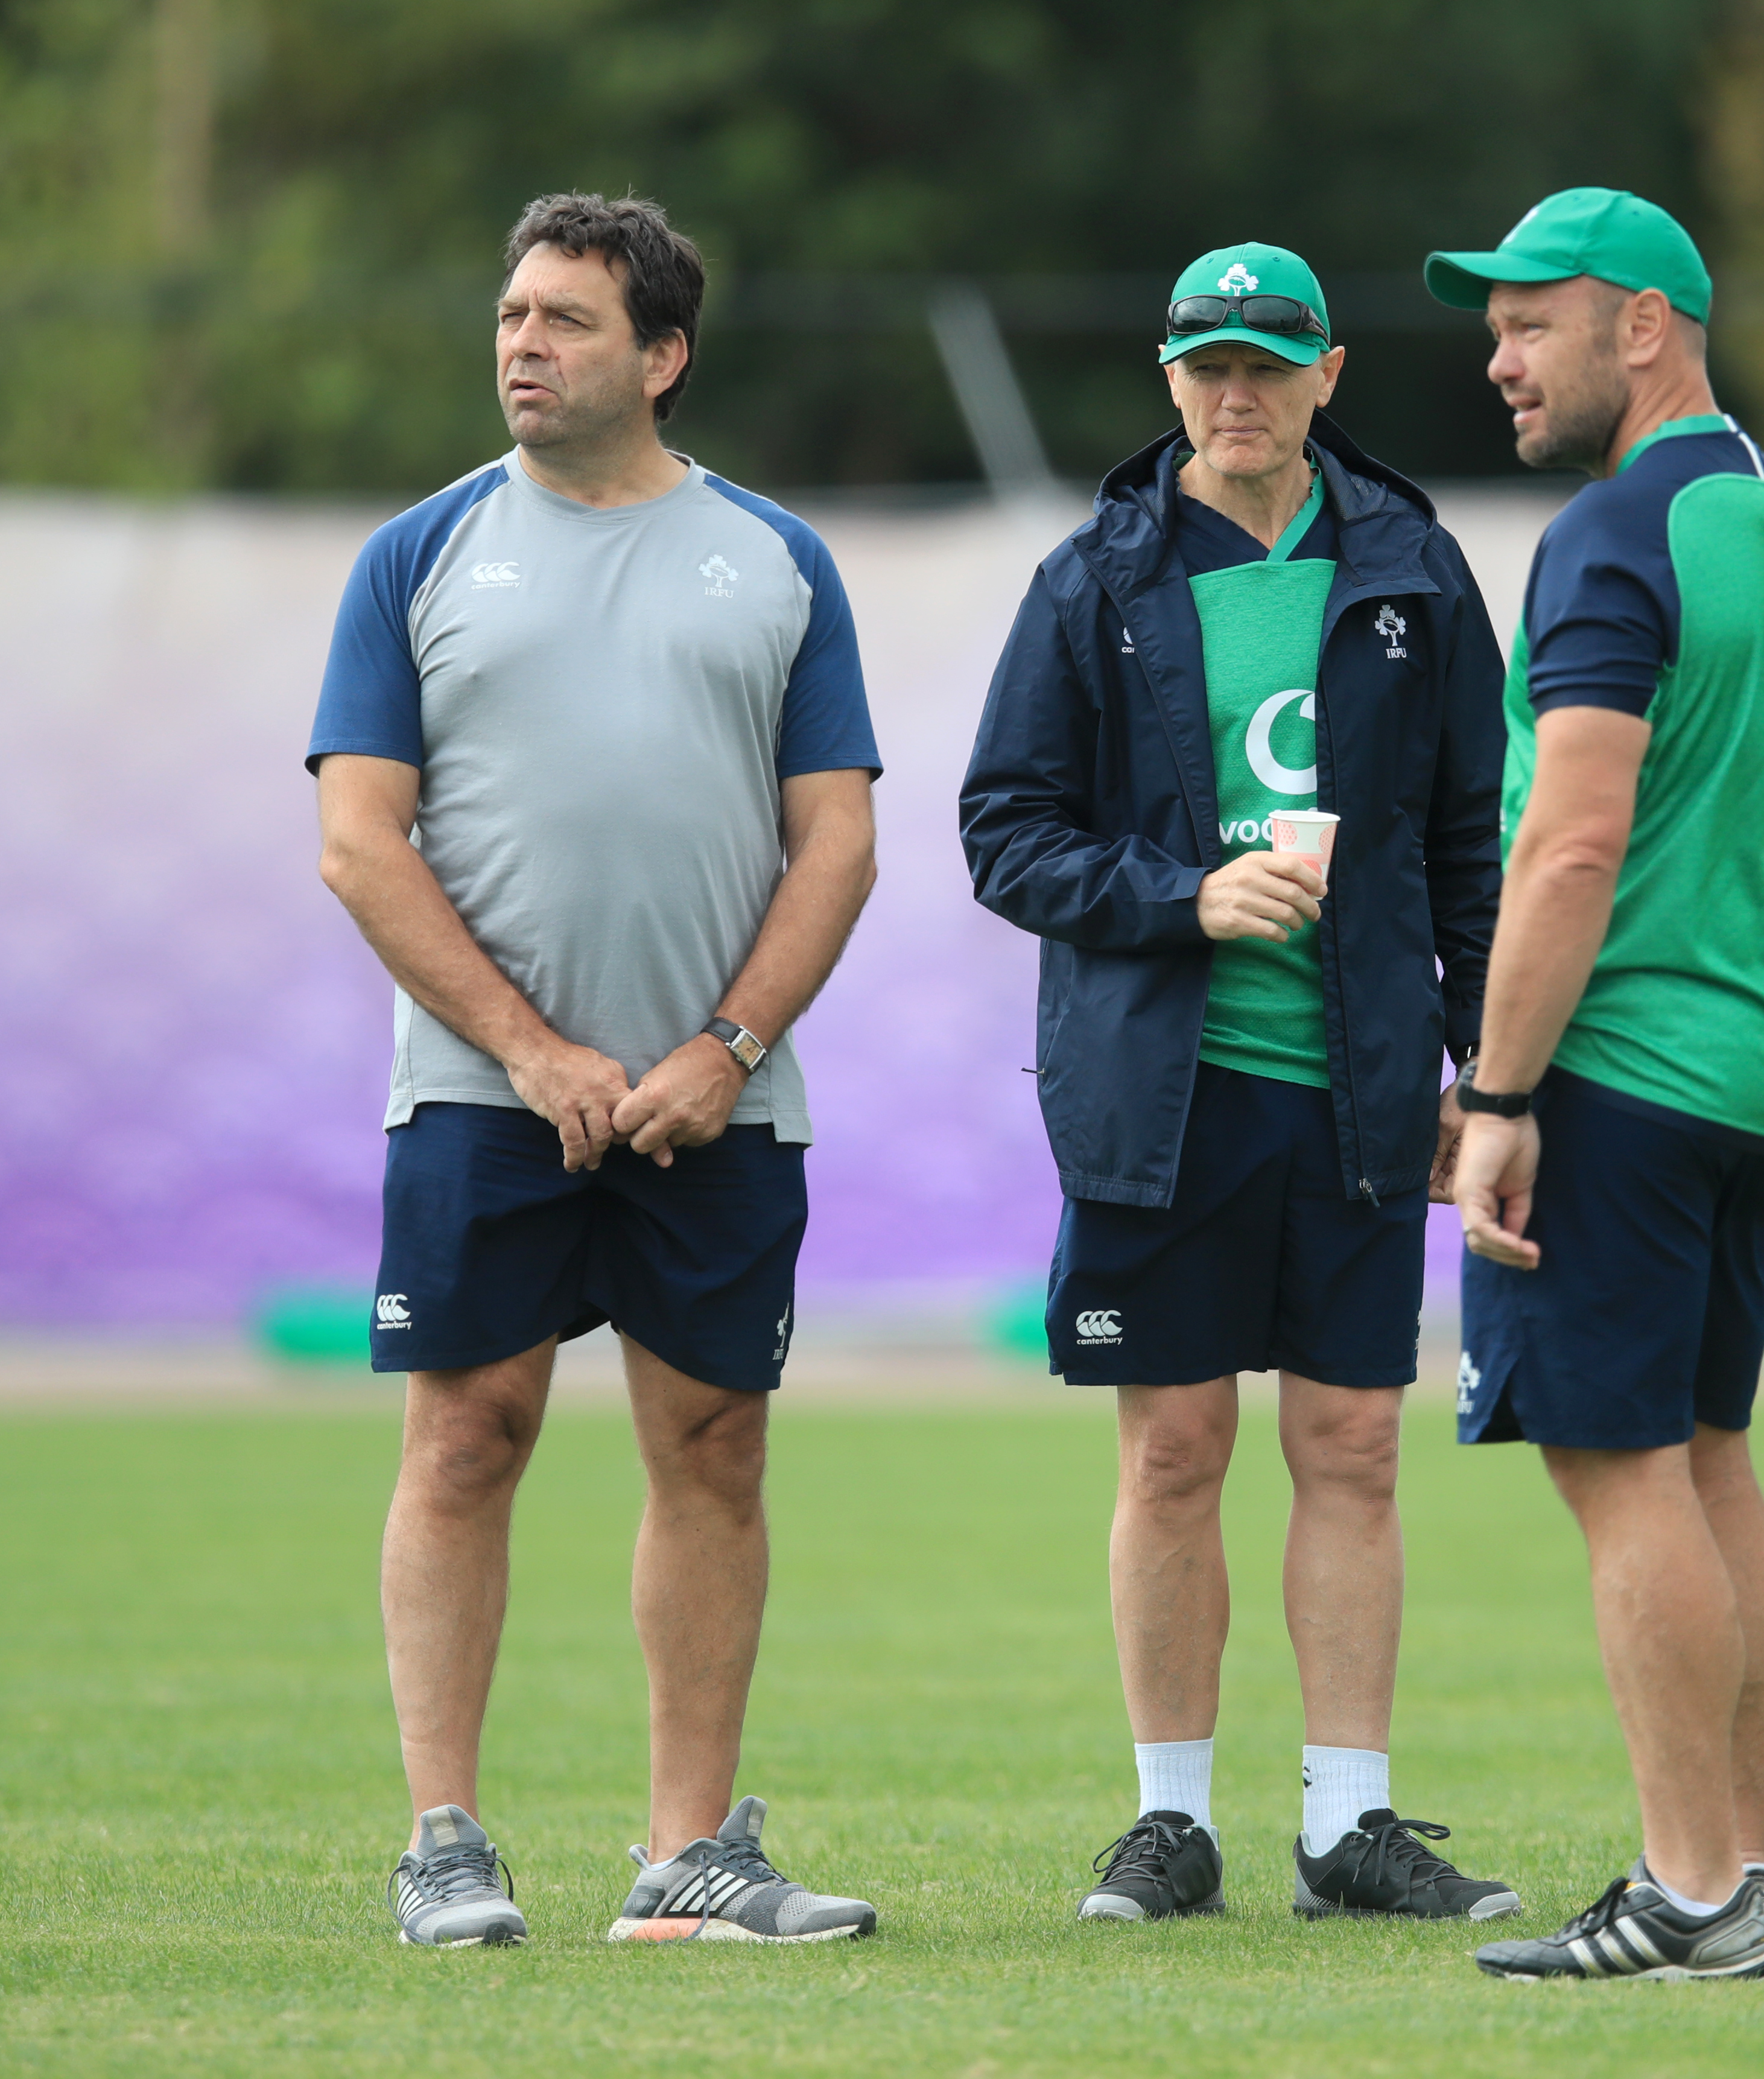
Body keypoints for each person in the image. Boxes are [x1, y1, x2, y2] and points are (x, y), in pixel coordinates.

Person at [310, 192, 884, 1947]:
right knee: (467, 1440)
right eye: (511, 315)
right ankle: (444, 1845)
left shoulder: (777, 559)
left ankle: (686, 1859)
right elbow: (358, 842)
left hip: (719, 1102)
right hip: (489, 1097)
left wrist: (724, 1048)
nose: (521, 345)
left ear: (662, 355)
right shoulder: (417, 555)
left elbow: (839, 844)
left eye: (564, 319)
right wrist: (531, 1046)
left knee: (710, 1447)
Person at [960, 243, 1519, 1926]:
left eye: (1269, 362)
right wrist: (1183, 897)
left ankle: (1347, 1826)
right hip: (1164, 1089)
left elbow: (1470, 851)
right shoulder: (1092, 578)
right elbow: (1005, 833)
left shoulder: (1415, 571)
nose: (1237, 390)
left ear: (1327, 374)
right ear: (1166, 372)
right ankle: (1170, 1822)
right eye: (1207, 362)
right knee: (1174, 1453)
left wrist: (1486, 1079)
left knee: (1351, 1445)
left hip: (1352, 1090)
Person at [1430, 189, 1764, 1982]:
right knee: (1709, 1464)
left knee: (1624, 1480)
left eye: (1529, 323)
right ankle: (1752, 1874)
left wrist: (1499, 1094)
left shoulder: (1619, 533)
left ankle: (1689, 1894)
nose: (1497, 358)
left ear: (1643, 327)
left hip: (1608, 1072)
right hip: (1753, 1070)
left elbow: (1569, 842)